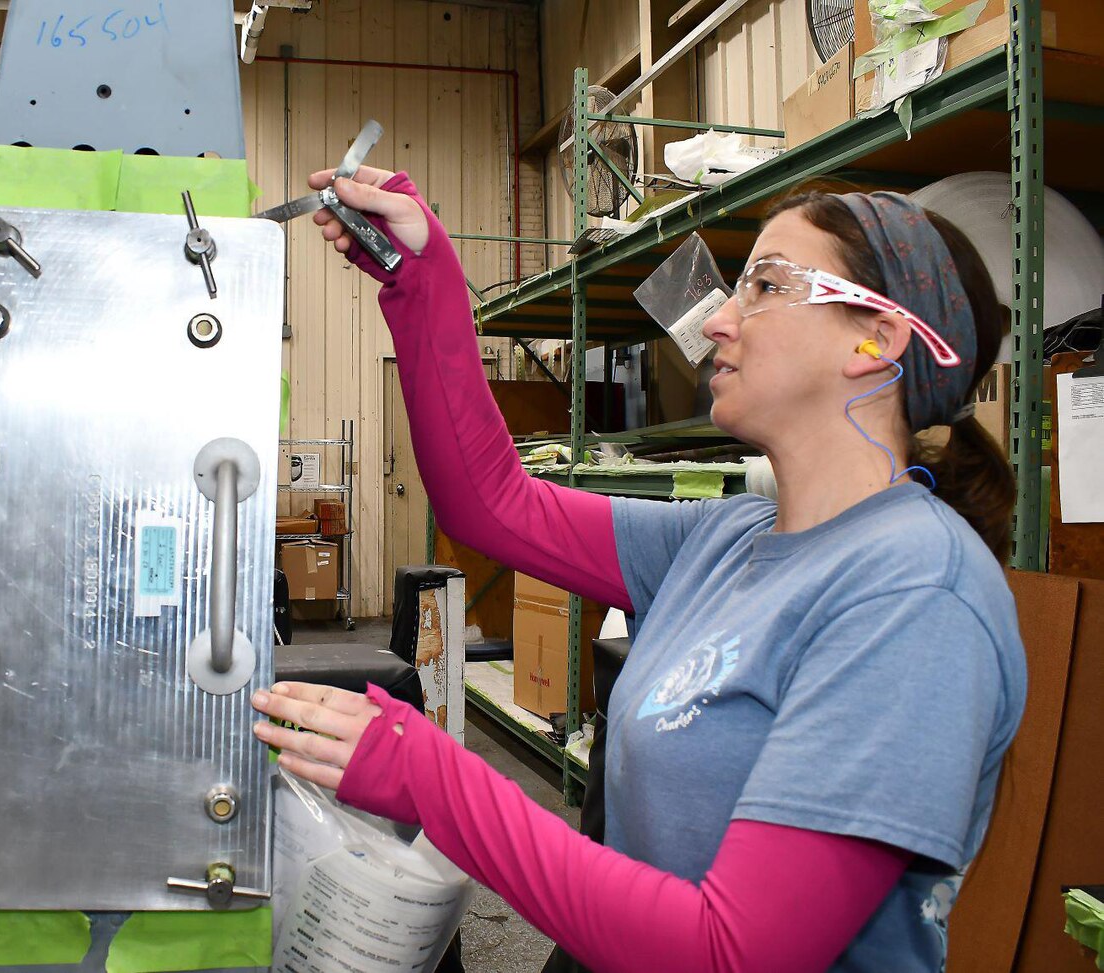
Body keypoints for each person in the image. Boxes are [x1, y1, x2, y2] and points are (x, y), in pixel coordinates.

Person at [251, 166, 1027, 973]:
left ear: (879, 340)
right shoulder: (725, 538)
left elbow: (730, 951)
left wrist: (435, 780)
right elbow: (493, 503)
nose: (720, 319)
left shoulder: (916, 596)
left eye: (763, 285)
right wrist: (422, 278)